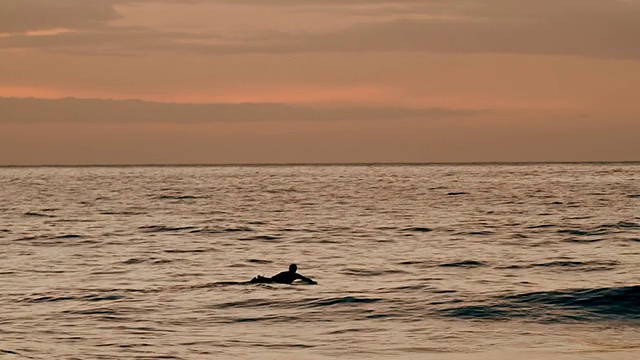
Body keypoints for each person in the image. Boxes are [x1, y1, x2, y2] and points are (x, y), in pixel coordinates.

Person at [250, 264, 317, 284]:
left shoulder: (284, 273)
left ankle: (259, 279)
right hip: (279, 282)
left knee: (268, 280)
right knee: (269, 280)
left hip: (276, 281)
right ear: (295, 269)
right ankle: (260, 279)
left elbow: (274, 277)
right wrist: (312, 282)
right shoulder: (295, 275)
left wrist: (311, 281)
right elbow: (306, 278)